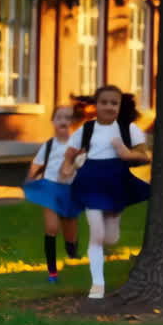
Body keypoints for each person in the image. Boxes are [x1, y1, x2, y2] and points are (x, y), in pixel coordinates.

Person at [64, 86, 151, 300]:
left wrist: (125, 152)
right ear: (96, 105)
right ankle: (98, 283)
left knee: (111, 237)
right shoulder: (86, 129)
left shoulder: (128, 129)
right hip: (90, 180)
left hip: (116, 181)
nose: (109, 107)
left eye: (114, 103)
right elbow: (70, 151)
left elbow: (144, 155)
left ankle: (113, 223)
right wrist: (68, 165)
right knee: (97, 233)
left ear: (120, 106)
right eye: (104, 102)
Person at [23, 105, 83, 283]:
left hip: (70, 190)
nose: (63, 121)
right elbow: (37, 164)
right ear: (53, 122)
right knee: (51, 228)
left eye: (68, 118)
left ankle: (72, 249)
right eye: (59, 117)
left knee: (70, 230)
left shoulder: (78, 146)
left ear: (73, 122)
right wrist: (30, 179)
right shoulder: (49, 145)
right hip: (49, 187)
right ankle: (52, 272)